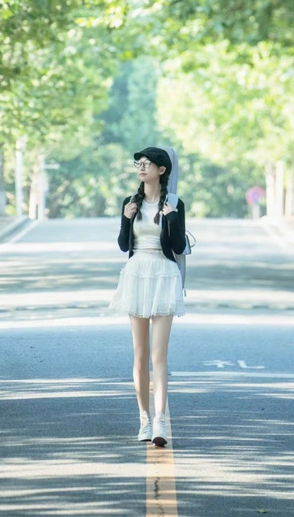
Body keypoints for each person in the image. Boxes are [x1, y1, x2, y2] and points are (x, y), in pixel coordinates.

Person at [107, 145, 187, 446]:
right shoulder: (130, 202)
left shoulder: (175, 203)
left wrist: (172, 218)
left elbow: (177, 247)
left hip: (164, 274)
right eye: (138, 163)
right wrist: (126, 219)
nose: (141, 168)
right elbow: (123, 245)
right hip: (137, 273)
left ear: (161, 170)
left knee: (159, 355)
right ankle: (143, 419)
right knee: (140, 354)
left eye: (147, 164)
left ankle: (160, 421)